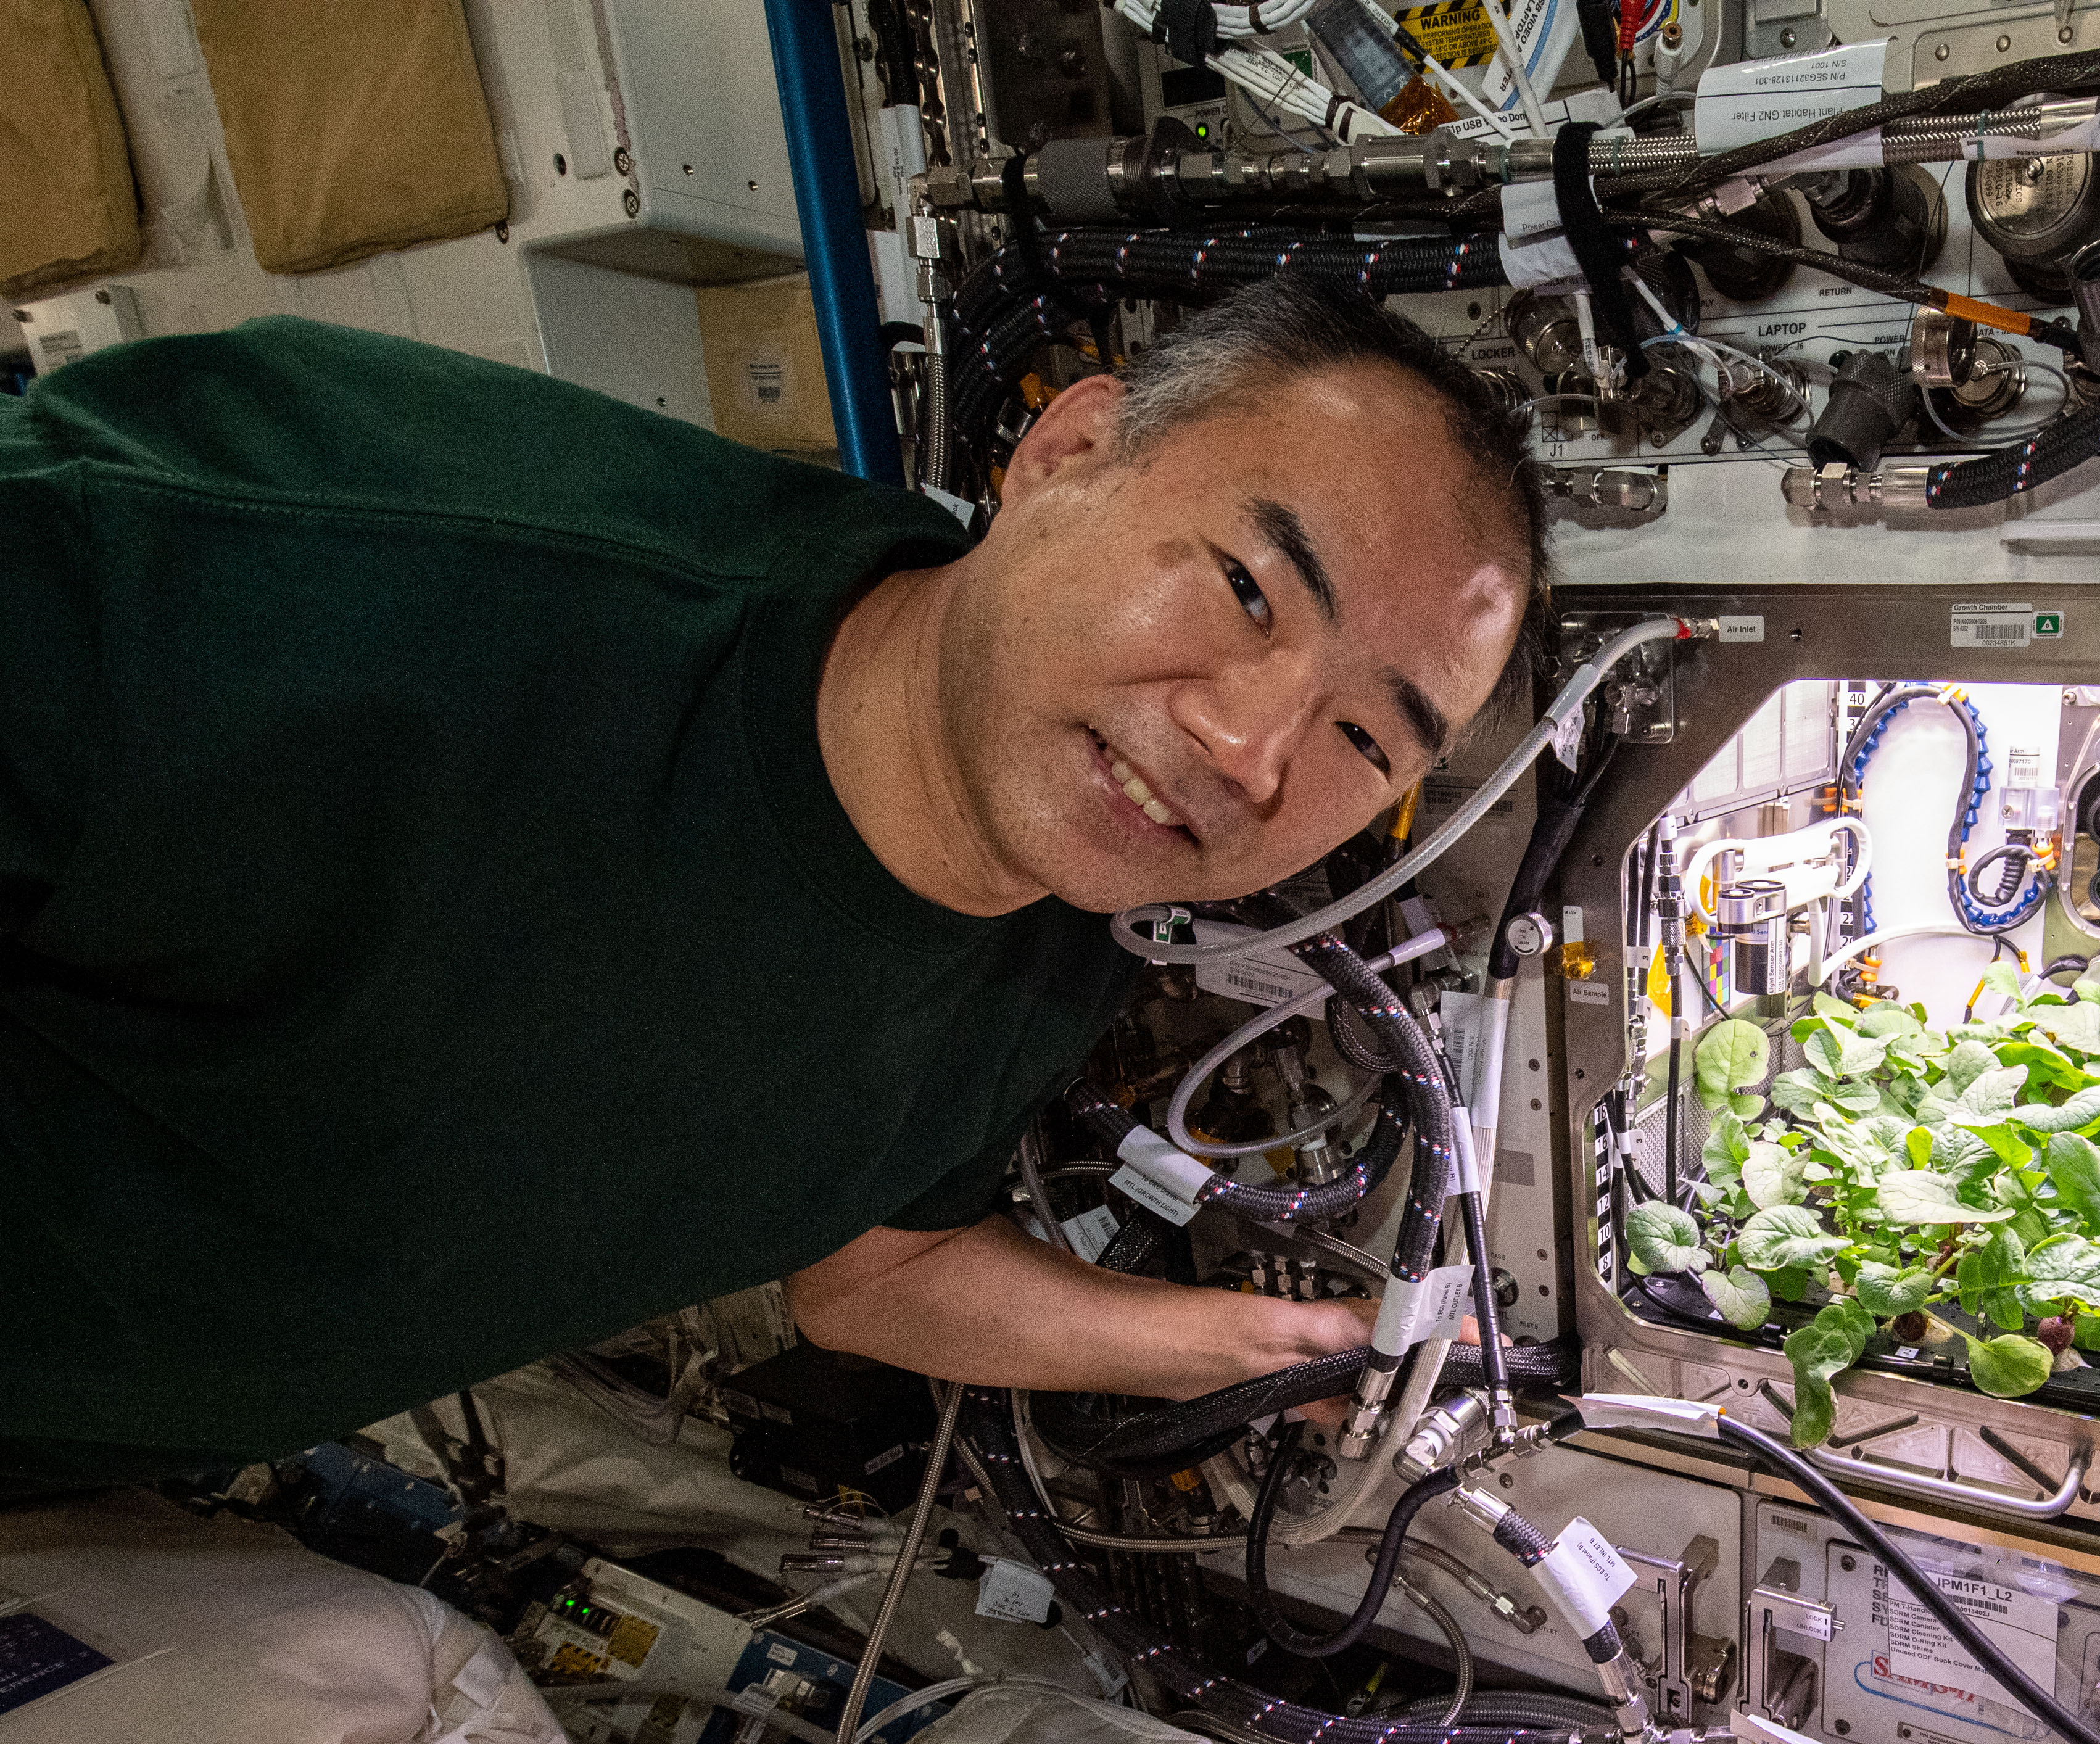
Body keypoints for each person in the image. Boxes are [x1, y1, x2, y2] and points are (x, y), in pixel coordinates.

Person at [0, 279, 1544, 1500]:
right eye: (1249, 587)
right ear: (1066, 453)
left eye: (1360, 734)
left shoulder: (1058, 942)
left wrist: (1277, 1347)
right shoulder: (331, 578)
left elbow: (878, 1269)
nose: (1248, 748)